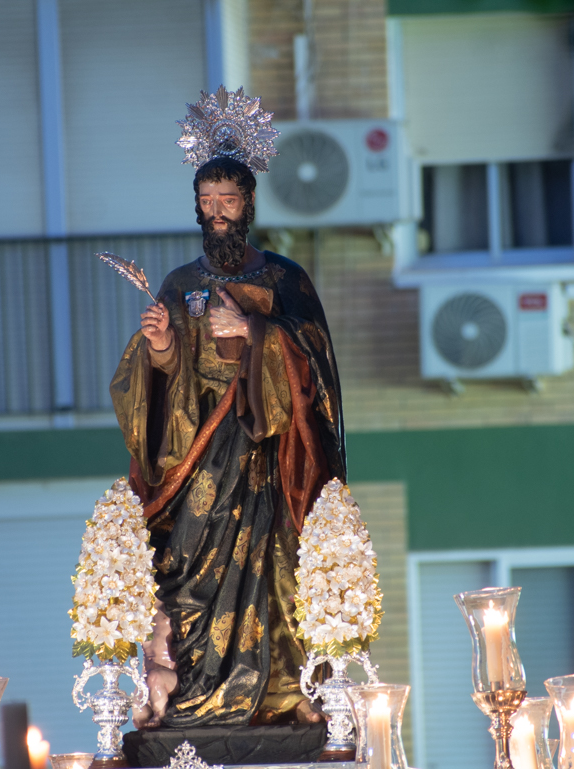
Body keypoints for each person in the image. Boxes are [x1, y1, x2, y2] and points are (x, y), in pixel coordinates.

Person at [109, 88, 345, 729]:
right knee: (189, 571)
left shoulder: (284, 279)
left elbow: (316, 359)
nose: (216, 214)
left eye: (228, 202)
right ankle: (192, 691)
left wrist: (255, 332)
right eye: (207, 202)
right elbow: (159, 386)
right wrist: (161, 347)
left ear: (248, 204)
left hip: (268, 452)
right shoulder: (181, 284)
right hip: (198, 459)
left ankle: (281, 692)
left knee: (275, 574)